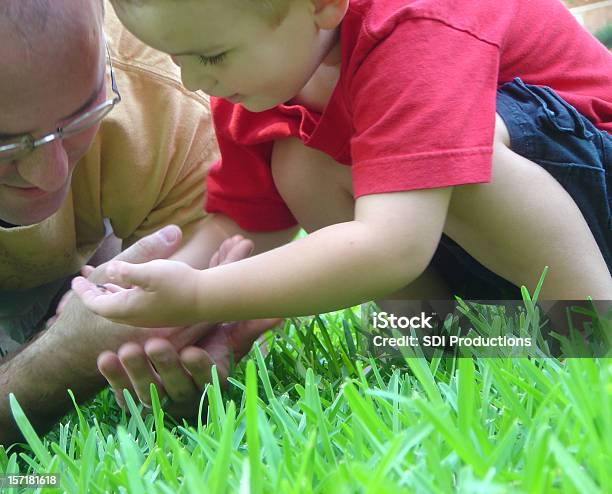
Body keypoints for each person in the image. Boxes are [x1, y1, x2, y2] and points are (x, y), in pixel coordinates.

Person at [72, 0, 611, 328]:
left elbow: (391, 246)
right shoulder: (259, 77)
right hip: (497, 246)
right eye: (176, 57)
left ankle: (592, 325)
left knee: (444, 148)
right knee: (301, 161)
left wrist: (197, 298)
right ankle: (432, 333)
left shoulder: (416, 22)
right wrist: (137, 289)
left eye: (211, 56)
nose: (193, 81)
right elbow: (244, 226)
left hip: (595, 194)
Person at [0, 0, 294, 446]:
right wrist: (63, 357)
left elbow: (215, 324)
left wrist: (184, 355)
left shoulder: (168, 102)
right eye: (5, 145)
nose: (51, 175)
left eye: (80, 115)